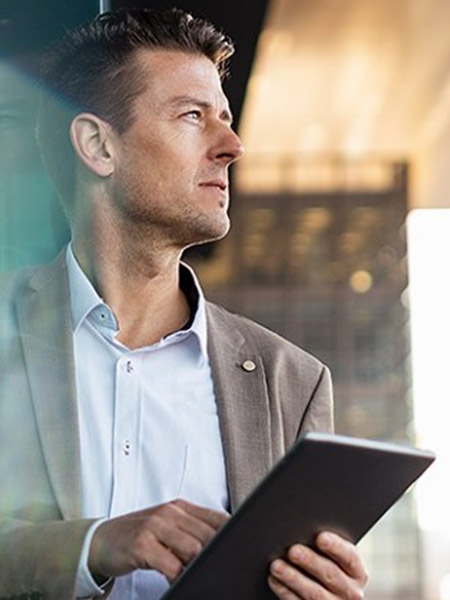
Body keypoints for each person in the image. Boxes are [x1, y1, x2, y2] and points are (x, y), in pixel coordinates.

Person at [0, 8, 368, 600]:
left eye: (224, 119)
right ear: (97, 144)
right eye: (193, 116)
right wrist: (93, 545)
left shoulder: (291, 384)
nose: (231, 146)